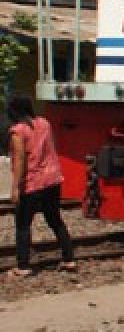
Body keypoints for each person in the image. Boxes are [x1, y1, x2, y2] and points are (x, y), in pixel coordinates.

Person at [7, 95, 76, 277]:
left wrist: (15, 188)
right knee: (55, 220)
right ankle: (69, 259)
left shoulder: (17, 131)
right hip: (52, 180)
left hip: (32, 183)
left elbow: (21, 159)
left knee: (23, 224)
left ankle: (23, 266)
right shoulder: (44, 124)